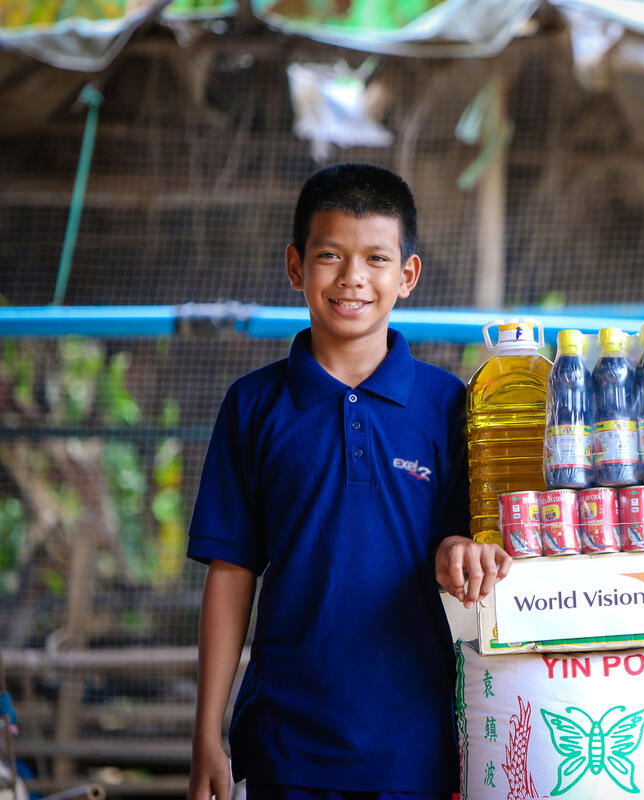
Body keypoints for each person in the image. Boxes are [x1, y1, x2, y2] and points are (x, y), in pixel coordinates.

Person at [185, 163, 510, 800]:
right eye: (330, 255)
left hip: (418, 743)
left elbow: (477, 552)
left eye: (376, 259)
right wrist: (206, 733)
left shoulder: (449, 405)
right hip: (286, 741)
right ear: (295, 266)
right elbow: (231, 572)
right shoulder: (252, 406)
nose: (352, 278)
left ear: (407, 275)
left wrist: (465, 552)